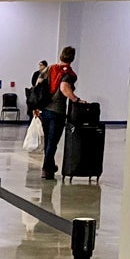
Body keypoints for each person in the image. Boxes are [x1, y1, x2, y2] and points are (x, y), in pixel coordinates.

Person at [39, 45, 78, 181]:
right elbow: (64, 88)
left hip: (45, 110)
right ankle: (46, 168)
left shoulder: (49, 68)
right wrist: (75, 99)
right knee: (52, 142)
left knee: (48, 141)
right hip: (57, 111)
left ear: (61, 55)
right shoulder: (68, 73)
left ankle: (49, 168)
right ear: (72, 58)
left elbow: (38, 83)